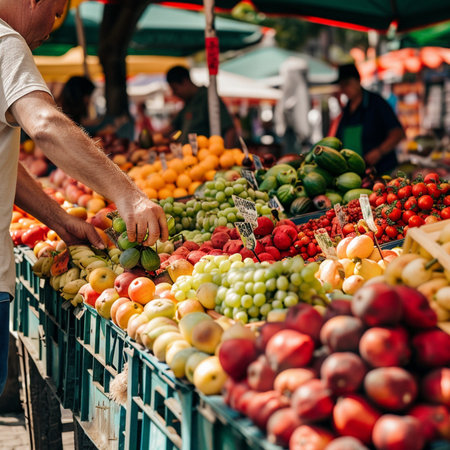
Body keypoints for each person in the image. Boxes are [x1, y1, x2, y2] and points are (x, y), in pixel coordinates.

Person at [0, 0, 168, 395]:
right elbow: (44, 124)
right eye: (56, 12)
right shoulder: (5, 42)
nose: (53, 27)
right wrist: (128, 195)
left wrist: (58, 219)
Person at [335, 63, 405, 174]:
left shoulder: (377, 103)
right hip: (358, 176)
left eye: (347, 84)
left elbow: (398, 133)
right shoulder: (346, 111)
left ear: (358, 80)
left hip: (382, 173)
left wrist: (379, 151)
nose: (344, 89)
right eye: (341, 86)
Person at [165, 65, 237, 147]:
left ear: (185, 82)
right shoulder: (188, 103)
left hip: (208, 156)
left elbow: (230, 129)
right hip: (189, 157)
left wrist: (227, 152)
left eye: (175, 89)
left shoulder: (208, 98)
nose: (174, 93)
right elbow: (172, 127)